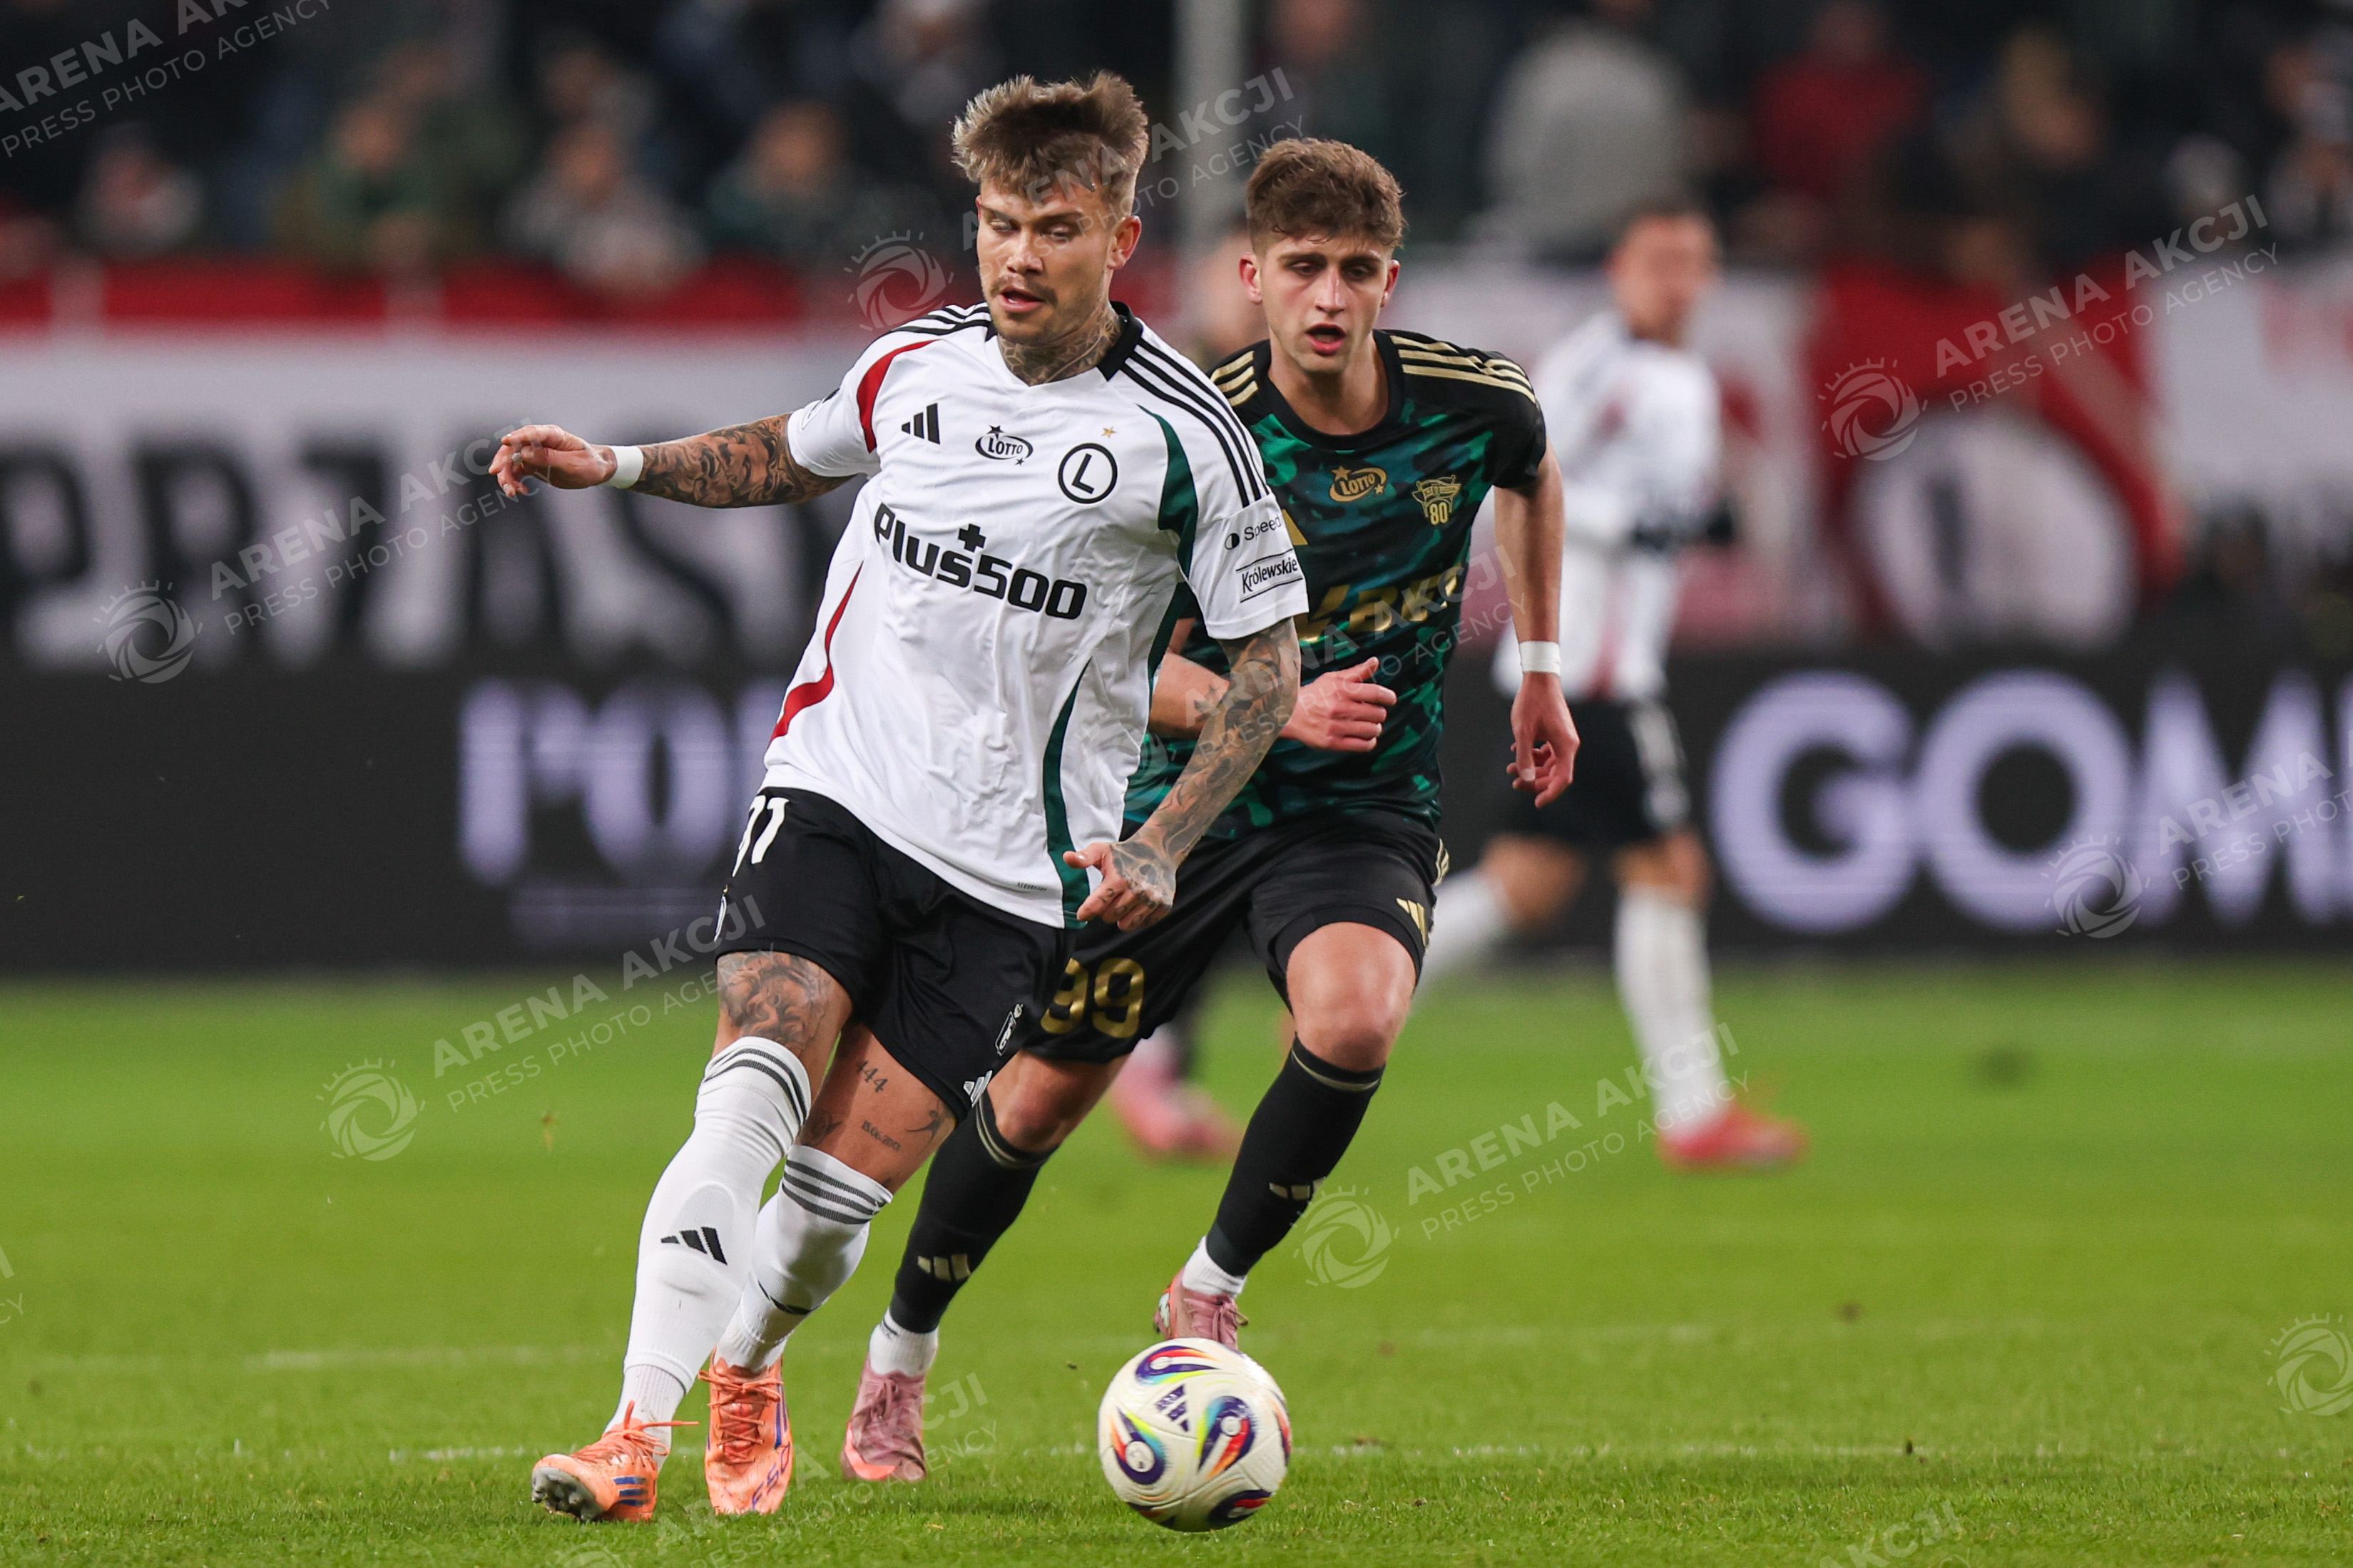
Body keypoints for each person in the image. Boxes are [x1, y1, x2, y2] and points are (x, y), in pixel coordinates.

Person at [488, 72, 1308, 1522]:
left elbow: (1267, 663)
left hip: (1011, 877)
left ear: (1120, 239)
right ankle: (631, 1434)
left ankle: (750, 1359)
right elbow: (783, 456)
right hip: (837, 793)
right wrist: (613, 465)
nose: (1017, 256)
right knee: (751, 1083)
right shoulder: (917, 363)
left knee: (828, 1210)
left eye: (1054, 228)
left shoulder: (1188, 438)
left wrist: (1167, 842)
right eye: (997, 223)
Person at [832, 138, 1578, 1482]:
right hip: (1177, 812)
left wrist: (1538, 667)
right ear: (1253, 276)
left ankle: (1209, 1287)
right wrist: (1270, 705)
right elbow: (1120, 663)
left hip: (1361, 811)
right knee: (1038, 1103)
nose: (1329, 297)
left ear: (1391, 281)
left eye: (1357, 270)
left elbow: (1531, 476)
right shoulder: (1185, 435)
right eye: (1303, 267)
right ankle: (899, 1357)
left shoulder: (1478, 404)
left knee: (1356, 1018)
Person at [1419, 200, 1807, 1172]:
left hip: (1594, 661)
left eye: (1691, 262)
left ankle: (1350, 994)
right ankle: (1694, 1114)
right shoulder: (1594, 367)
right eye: (1655, 261)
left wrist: (1686, 522)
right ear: (1619, 270)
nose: (1673, 281)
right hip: (1586, 669)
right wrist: (1635, 526)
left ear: (1710, 277)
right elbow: (1515, 474)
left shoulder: (1681, 378)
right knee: (1669, 870)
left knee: (1529, 887)